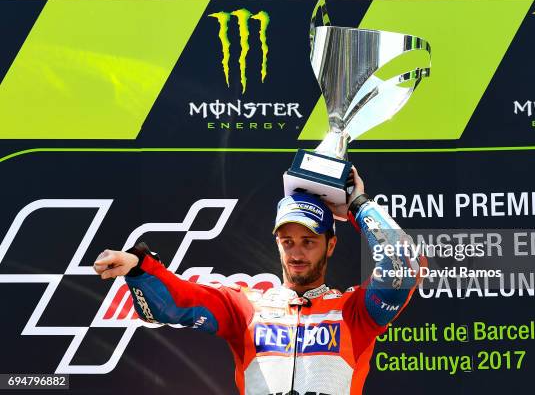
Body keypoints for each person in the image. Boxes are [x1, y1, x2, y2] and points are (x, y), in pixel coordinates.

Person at [94, 167, 424, 395]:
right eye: (287, 240)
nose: (296, 253)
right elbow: (173, 304)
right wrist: (137, 266)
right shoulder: (246, 308)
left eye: (308, 241)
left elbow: (405, 266)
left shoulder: (354, 313)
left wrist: (358, 205)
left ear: (330, 244)